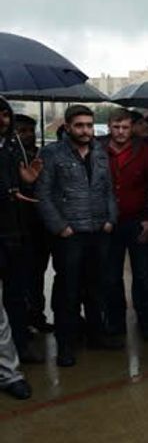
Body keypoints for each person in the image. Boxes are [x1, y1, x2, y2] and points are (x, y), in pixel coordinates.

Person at [36, 104, 118, 367]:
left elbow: (108, 190)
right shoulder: (52, 154)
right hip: (69, 235)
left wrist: (110, 218)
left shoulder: (100, 153)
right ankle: (66, 345)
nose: (86, 131)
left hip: (98, 231)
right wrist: (59, 226)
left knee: (96, 287)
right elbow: (43, 194)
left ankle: (96, 335)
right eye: (80, 125)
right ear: (68, 126)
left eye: (89, 125)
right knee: (67, 292)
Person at [102, 108, 148, 342]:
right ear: (109, 127)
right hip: (108, 224)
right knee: (111, 276)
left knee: (143, 276)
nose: (121, 132)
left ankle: (146, 322)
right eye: (116, 127)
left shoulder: (145, 151)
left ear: (132, 127)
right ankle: (115, 322)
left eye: (125, 127)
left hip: (137, 220)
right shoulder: (98, 150)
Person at [1, 99, 44, 363]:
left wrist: (25, 182)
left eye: (6, 114)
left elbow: (22, 179)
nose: (3, 120)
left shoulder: (12, 148)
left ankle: (20, 345)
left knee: (16, 293)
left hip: (15, 234)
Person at [13, 114, 53, 334]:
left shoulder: (41, 154)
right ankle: (23, 321)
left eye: (31, 130)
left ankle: (37, 315)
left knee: (37, 273)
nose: (27, 135)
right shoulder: (11, 156)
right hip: (18, 225)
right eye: (22, 131)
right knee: (21, 276)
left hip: (40, 224)